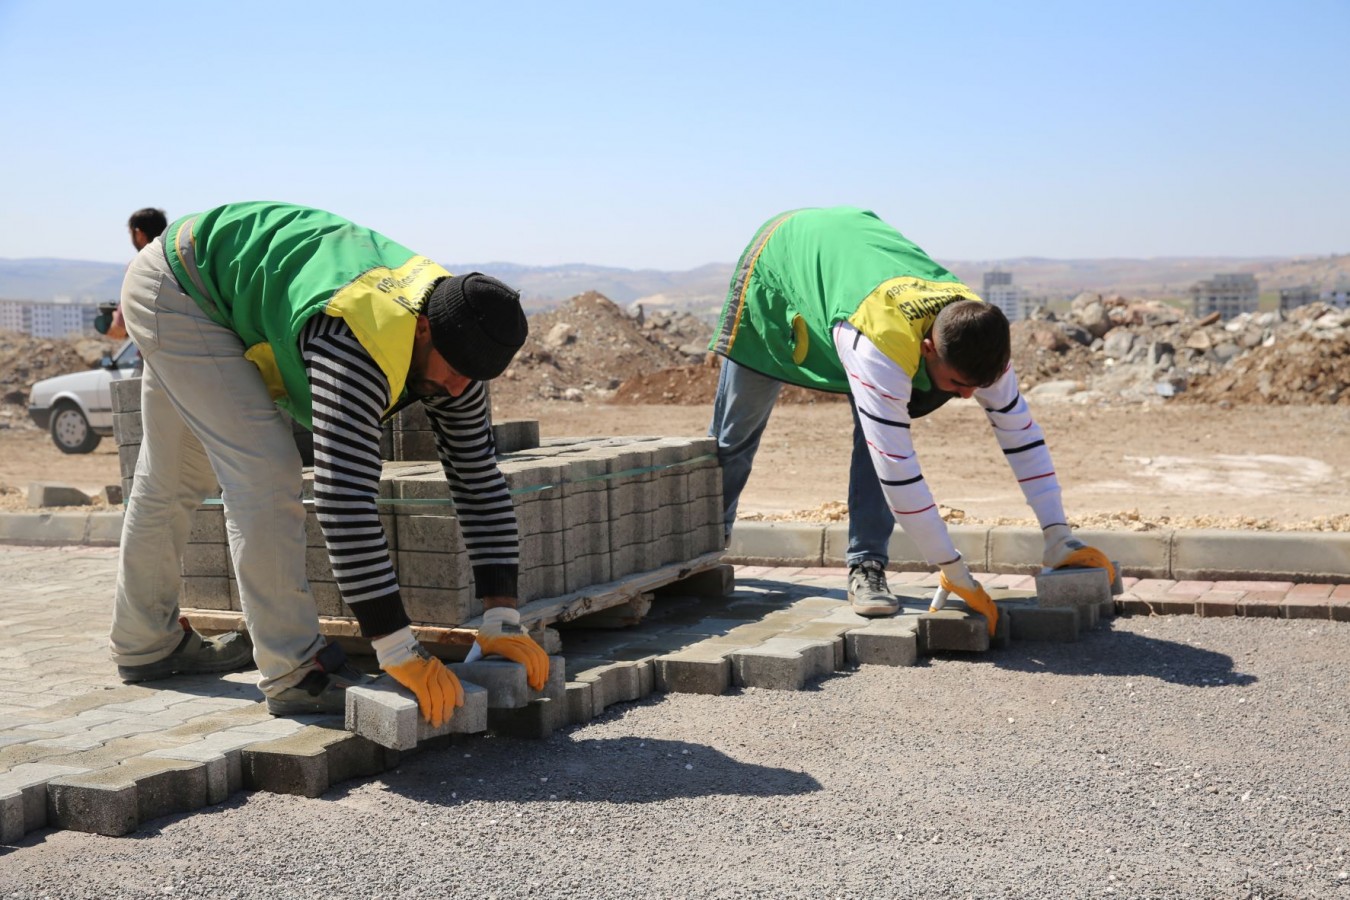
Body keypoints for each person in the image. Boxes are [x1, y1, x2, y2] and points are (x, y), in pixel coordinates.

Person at [110, 201, 548, 724]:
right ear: (425, 330)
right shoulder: (360, 341)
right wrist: (397, 648)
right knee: (266, 475)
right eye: (455, 372)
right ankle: (295, 671)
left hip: (211, 277)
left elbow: (477, 479)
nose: (457, 388)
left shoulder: (461, 339)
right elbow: (344, 501)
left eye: (472, 378)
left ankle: (144, 642)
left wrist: (502, 617)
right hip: (182, 288)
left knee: (172, 477)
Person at [707, 206, 1113, 630]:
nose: (968, 395)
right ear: (928, 350)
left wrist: (1058, 536)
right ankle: (702, 553)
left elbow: (1021, 434)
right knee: (735, 439)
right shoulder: (880, 345)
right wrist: (953, 571)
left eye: (978, 385)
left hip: (853, 274)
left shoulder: (975, 333)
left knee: (874, 437)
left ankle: (866, 566)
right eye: (958, 384)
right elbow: (898, 471)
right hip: (780, 266)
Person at [100, 208, 170, 340]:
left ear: (138, 233)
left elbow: (119, 330)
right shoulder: (179, 260)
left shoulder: (139, 266)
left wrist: (115, 318)